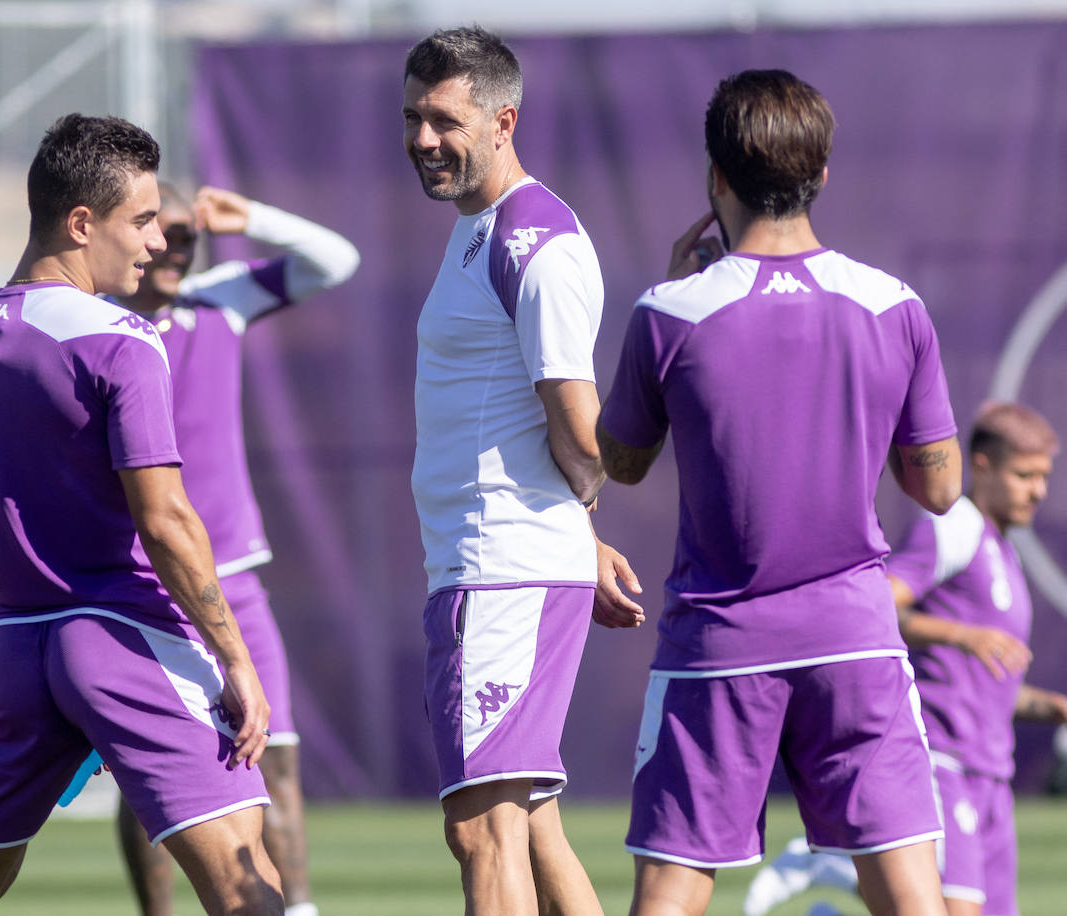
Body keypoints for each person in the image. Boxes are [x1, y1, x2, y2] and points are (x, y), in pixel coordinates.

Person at [597, 69, 964, 916]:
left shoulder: (668, 312)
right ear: (822, 173)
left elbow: (620, 463)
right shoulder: (894, 305)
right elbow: (938, 489)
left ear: (715, 176)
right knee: (912, 897)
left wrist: (670, 288)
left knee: (671, 891)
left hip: (720, 647)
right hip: (856, 642)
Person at [0, 113, 282, 916]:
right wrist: (235, 659)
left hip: (16, 648)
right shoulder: (122, 338)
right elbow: (167, 521)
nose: (155, 243)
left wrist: (39, 638)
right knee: (248, 885)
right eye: (142, 221)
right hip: (126, 636)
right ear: (82, 223)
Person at [402, 26, 645, 916]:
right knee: (529, 825)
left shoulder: (535, 243)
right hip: (497, 561)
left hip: (499, 568)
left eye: (443, 120)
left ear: (504, 120)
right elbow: (534, 428)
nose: (423, 139)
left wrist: (577, 525)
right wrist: (583, 539)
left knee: (483, 831)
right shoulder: (483, 227)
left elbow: (582, 436)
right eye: (411, 118)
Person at [112, 183, 359, 916]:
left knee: (275, 759)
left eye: (190, 233)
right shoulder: (98, 321)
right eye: (163, 229)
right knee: (146, 775)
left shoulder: (221, 299)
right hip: (144, 584)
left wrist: (247, 219)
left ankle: (299, 909)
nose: (178, 246)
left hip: (236, 582)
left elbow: (335, 260)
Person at [744, 402, 1067, 916]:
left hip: (992, 773)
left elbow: (985, 680)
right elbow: (877, 607)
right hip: (943, 759)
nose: (1039, 491)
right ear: (981, 466)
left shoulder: (1002, 551)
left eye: (1045, 477)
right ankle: (833, 868)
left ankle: (836, 886)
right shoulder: (955, 526)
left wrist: (1047, 706)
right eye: (1025, 475)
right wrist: (959, 634)